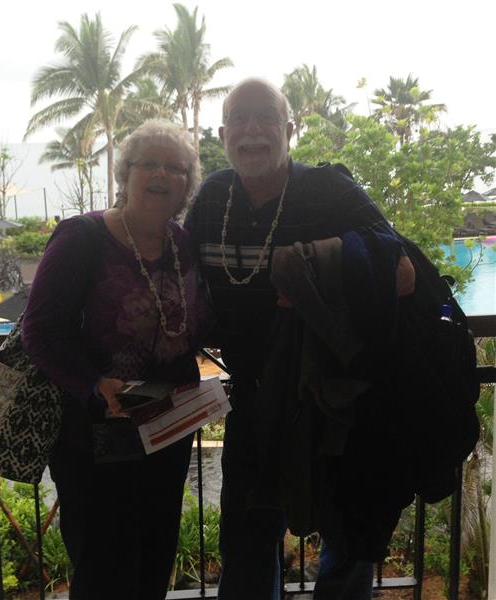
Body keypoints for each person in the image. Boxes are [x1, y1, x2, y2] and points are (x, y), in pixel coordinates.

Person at [185, 78, 408, 600]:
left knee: (347, 538)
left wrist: (316, 278)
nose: (252, 130)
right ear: (222, 134)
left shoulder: (328, 189)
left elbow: (399, 268)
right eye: (239, 119)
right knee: (246, 543)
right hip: (254, 398)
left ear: (289, 130)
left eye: (266, 117)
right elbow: (179, 276)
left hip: (337, 398)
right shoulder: (213, 197)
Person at [22, 120, 210, 599]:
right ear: (125, 173)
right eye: (150, 164)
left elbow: (195, 323)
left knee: (154, 562)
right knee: (103, 571)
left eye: (176, 168)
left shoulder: (183, 244)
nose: (162, 175)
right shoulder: (81, 238)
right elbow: (39, 332)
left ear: (187, 184)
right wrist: (94, 384)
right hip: (95, 439)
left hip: (166, 433)